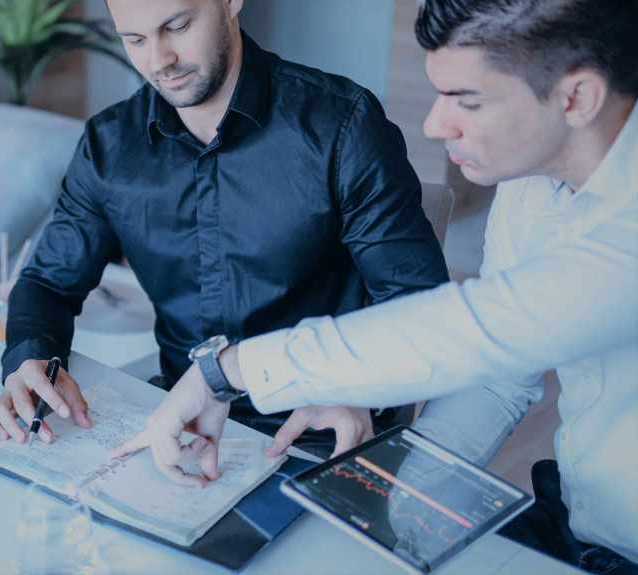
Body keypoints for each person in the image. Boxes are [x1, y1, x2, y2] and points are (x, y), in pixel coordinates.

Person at [114, 0, 637, 572]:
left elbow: (482, 330)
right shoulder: (535, 180)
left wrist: (226, 371)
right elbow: (500, 378)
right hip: (578, 515)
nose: (435, 126)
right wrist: (398, 497)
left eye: (468, 100)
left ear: (576, 97)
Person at [0, 0, 448, 459]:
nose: (159, 60)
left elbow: (418, 307)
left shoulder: (341, 125)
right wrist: (28, 361)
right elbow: (47, 283)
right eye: (135, 40)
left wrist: (358, 391)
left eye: (178, 26)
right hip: (176, 419)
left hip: (319, 429)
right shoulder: (109, 146)